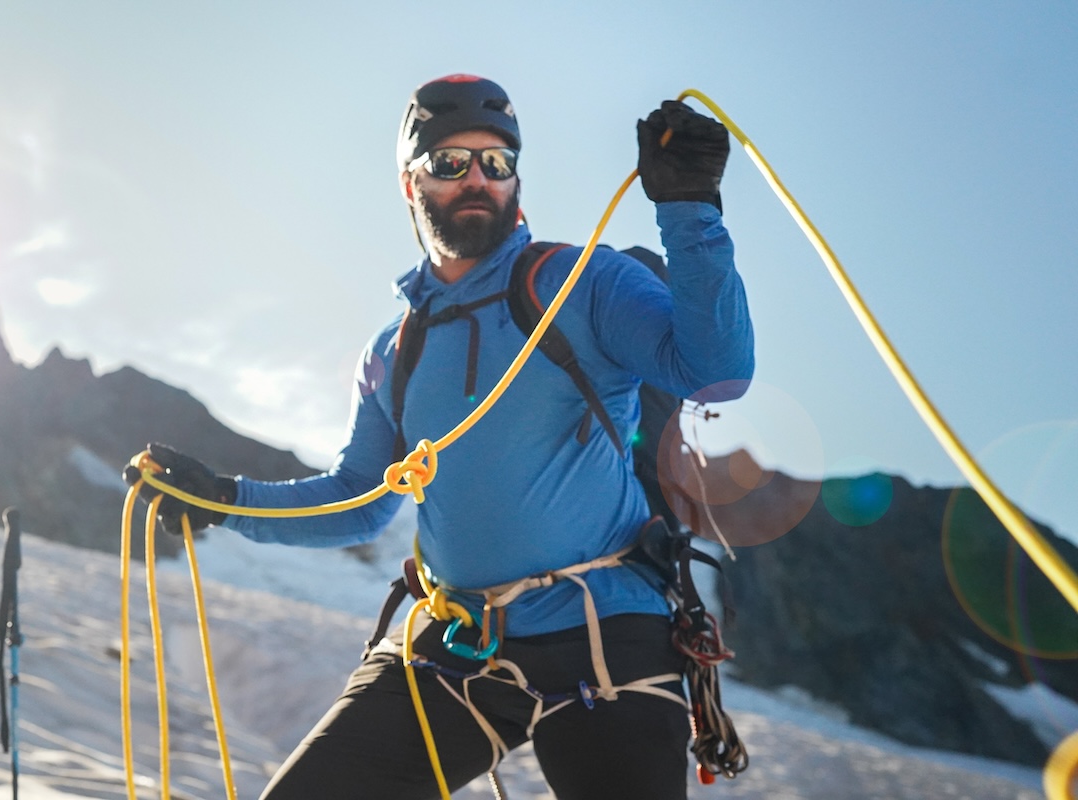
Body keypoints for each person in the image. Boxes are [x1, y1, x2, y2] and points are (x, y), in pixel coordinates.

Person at [124, 74, 754, 800]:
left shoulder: (584, 282)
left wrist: (689, 208)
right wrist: (224, 500)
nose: (478, 179)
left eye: (497, 162)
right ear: (409, 183)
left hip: (605, 633)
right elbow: (359, 502)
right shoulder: (394, 352)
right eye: (451, 163)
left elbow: (715, 373)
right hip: (459, 642)